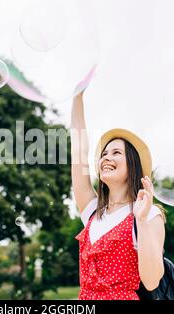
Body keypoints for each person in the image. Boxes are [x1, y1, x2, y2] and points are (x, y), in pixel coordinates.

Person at [71, 88, 166, 300]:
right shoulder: (92, 212)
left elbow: (151, 281)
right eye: (104, 154)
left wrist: (141, 220)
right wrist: (77, 97)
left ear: (132, 164)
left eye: (116, 153)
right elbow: (78, 152)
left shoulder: (149, 214)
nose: (106, 157)